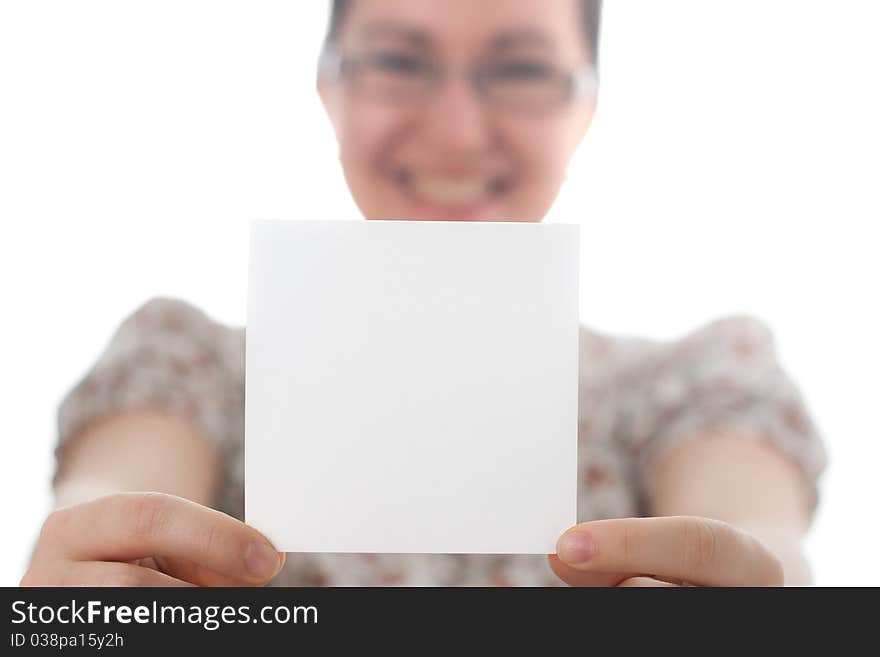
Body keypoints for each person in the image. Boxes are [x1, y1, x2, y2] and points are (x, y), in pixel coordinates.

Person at [22, 0, 827, 587]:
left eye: (520, 69)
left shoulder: (696, 378)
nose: (456, 129)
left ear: (586, 107)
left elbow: (757, 533)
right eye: (401, 61)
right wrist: (82, 570)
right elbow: (113, 490)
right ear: (329, 89)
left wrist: (768, 584)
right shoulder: (191, 359)